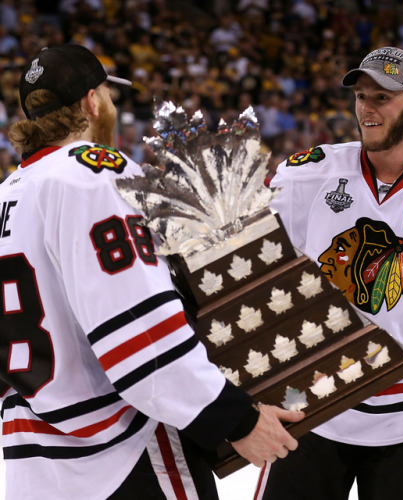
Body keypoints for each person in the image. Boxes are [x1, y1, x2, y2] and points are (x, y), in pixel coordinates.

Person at [0, 44, 304, 500]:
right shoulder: (94, 175)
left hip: (36, 461)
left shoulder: (9, 194)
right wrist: (234, 419)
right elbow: (140, 335)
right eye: (109, 94)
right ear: (90, 102)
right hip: (124, 453)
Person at [256, 46, 403, 500]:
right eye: (362, 96)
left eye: (382, 98)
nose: (368, 109)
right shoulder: (306, 177)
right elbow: (256, 278)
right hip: (309, 408)